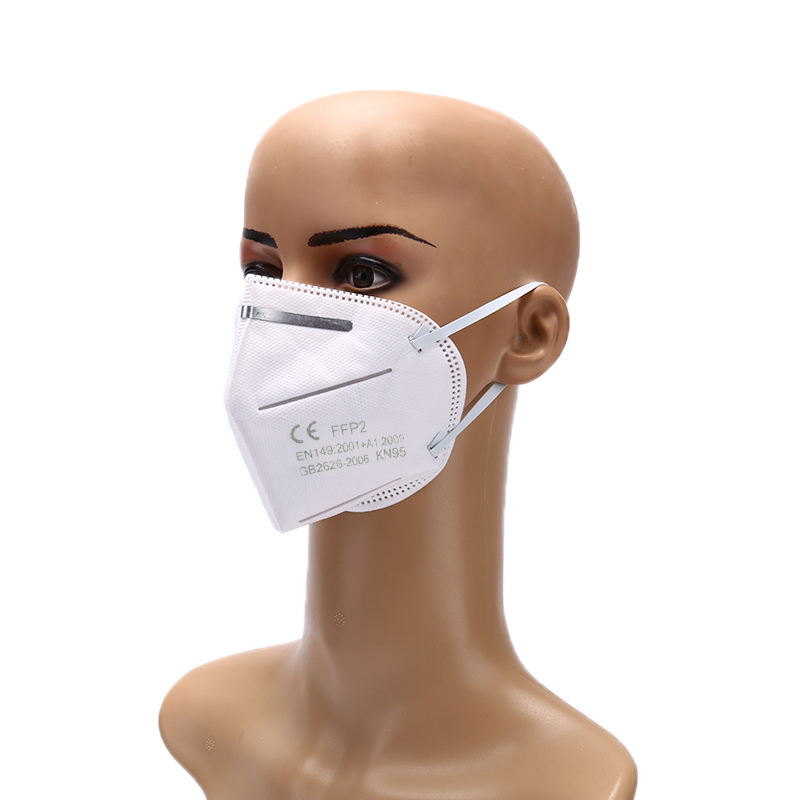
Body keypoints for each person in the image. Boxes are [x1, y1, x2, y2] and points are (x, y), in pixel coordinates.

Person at [160, 90, 637, 799]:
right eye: (264, 270)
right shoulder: (205, 713)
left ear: (530, 333)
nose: (284, 321)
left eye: (361, 274)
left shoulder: (572, 782)